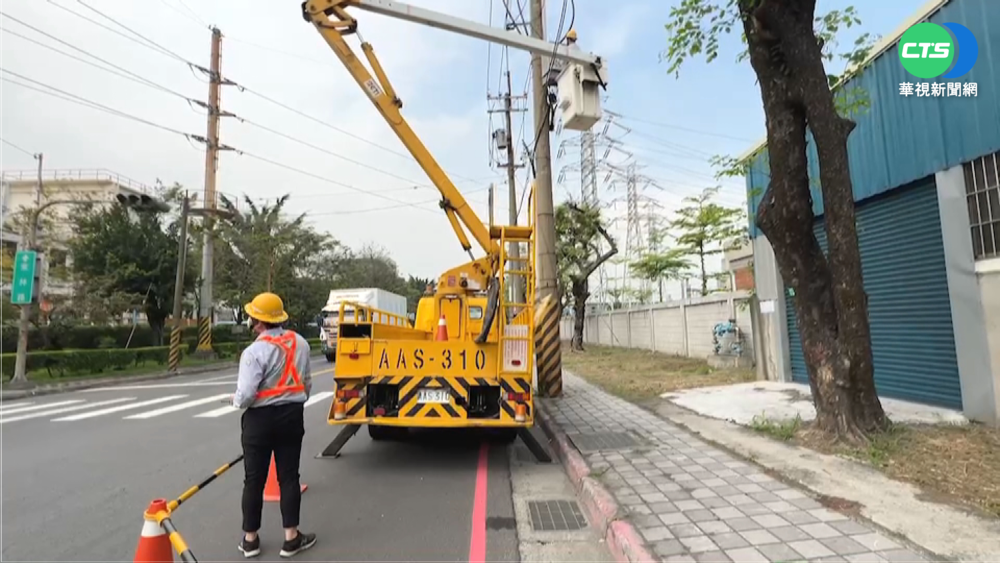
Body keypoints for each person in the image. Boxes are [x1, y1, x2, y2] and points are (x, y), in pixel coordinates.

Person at [230, 291, 317, 559]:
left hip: (259, 421)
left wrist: (234, 401)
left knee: (253, 480)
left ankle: (250, 540)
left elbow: (245, 395)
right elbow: (308, 383)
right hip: (291, 416)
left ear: (256, 321)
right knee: (289, 477)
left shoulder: (253, 352)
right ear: (279, 318)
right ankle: (291, 538)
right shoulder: (301, 343)